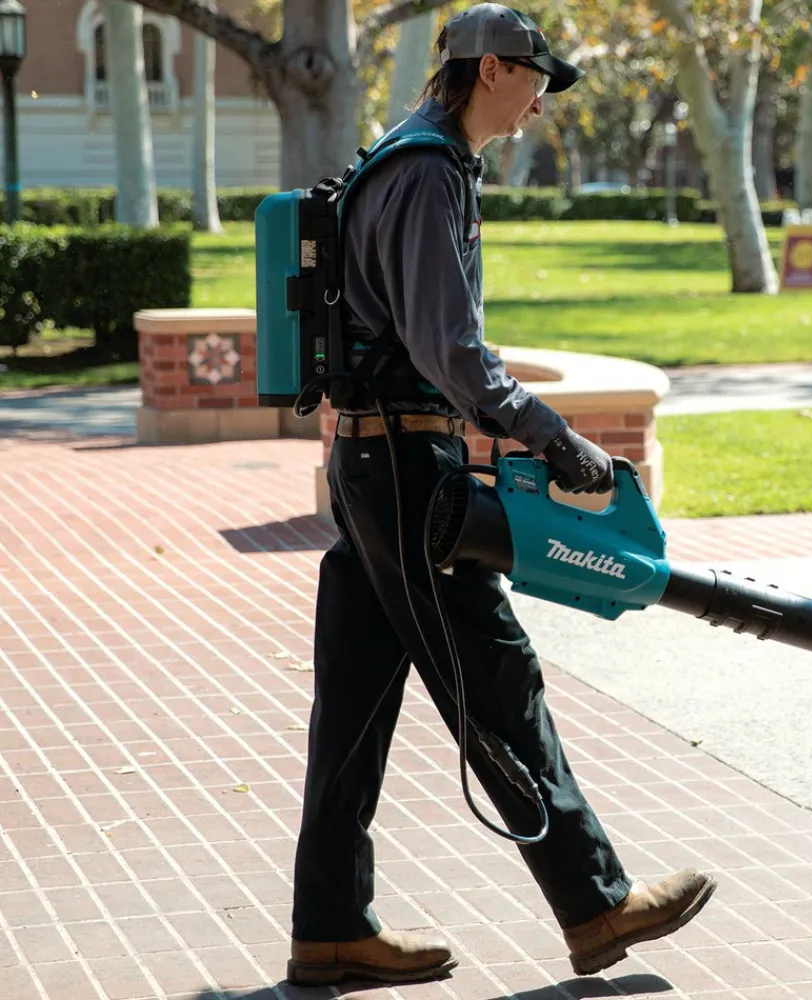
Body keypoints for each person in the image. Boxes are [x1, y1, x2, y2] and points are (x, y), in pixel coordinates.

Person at [288, 3, 716, 987]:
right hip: (408, 472)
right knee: (497, 676)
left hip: (372, 465)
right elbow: (451, 348)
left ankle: (330, 926)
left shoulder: (400, 156)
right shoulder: (429, 169)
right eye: (536, 80)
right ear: (491, 69)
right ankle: (595, 903)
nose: (541, 102)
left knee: (353, 702)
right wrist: (553, 437)